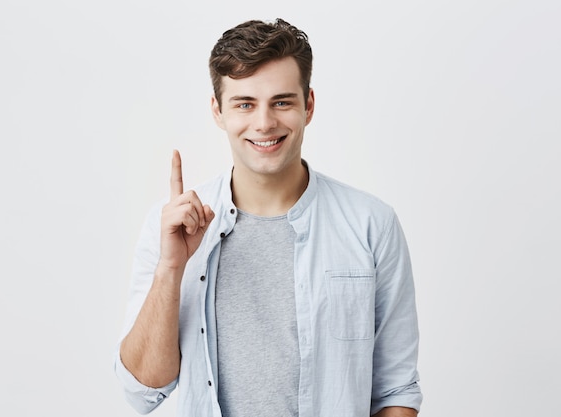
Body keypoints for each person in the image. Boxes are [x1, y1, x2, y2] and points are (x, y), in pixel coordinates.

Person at [115, 18, 422, 417]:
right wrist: (171, 267)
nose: (264, 123)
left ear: (308, 105)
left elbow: (396, 390)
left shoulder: (371, 225)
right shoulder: (171, 225)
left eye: (282, 101)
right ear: (218, 110)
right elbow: (142, 391)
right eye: (245, 103)